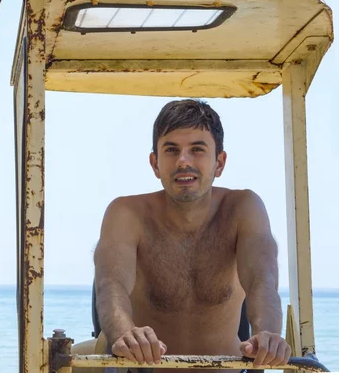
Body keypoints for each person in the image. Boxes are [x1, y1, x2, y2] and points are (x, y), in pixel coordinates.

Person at [93, 99, 291, 373]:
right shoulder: (126, 213)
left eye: (197, 150)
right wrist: (125, 334)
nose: (183, 161)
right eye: (171, 150)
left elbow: (263, 281)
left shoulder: (244, 208)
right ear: (155, 163)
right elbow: (110, 284)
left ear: (219, 162)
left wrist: (268, 334)